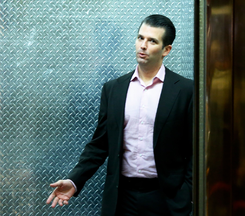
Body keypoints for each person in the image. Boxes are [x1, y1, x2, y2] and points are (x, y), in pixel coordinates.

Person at [46, 14, 193, 216]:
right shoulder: (113, 89)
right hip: (122, 198)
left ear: (166, 50)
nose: (143, 45)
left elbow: (195, 149)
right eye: (140, 38)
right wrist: (74, 180)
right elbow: (100, 144)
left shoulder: (185, 90)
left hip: (166, 199)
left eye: (152, 41)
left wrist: (187, 191)